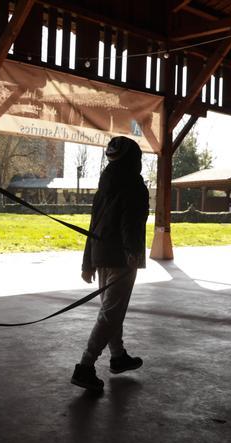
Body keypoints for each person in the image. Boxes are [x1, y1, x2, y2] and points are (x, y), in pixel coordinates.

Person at [71, 136, 149, 393]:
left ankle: (118, 356)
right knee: (111, 313)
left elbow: (93, 225)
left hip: (100, 253)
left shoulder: (104, 186)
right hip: (121, 257)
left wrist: (87, 262)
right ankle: (85, 366)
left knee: (111, 309)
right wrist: (133, 251)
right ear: (133, 159)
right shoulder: (135, 184)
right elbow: (131, 220)